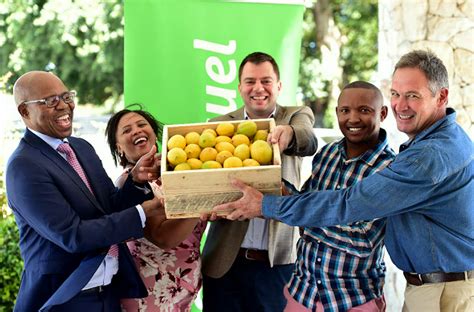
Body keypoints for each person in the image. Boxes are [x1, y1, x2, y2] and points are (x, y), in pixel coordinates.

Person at [213, 50, 474, 311]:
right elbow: (313, 200)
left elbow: (352, 214)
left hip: (423, 294)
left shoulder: (423, 157)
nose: (401, 105)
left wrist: (271, 207)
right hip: (308, 292)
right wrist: (286, 198)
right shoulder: (431, 141)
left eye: (413, 96)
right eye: (396, 94)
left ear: (441, 97)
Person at [6, 71, 161, 312]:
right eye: (51, 101)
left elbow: (110, 205)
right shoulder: (24, 166)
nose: (64, 105)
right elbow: (73, 236)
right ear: (25, 111)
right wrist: (143, 212)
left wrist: (135, 180)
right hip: (65, 299)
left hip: (109, 294)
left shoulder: (81, 147)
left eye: (66, 96)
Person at [201, 52, 318, 311]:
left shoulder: (296, 115)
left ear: (278, 86)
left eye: (266, 81)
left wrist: (288, 134)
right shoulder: (217, 126)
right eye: (250, 81)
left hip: (277, 264)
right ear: (240, 87)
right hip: (225, 263)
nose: (258, 88)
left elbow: (308, 139)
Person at [283, 81, 396, 311]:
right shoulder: (327, 154)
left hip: (351, 300)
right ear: (337, 113)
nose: (353, 119)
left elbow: (363, 241)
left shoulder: (390, 169)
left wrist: (295, 212)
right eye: (345, 111)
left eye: (364, 110)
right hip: (301, 294)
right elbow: (305, 203)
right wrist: (280, 190)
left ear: (382, 113)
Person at [105, 106, 206, 311]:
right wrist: (203, 198)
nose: (136, 130)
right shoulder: (128, 185)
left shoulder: (175, 174)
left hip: (182, 287)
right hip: (150, 291)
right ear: (119, 148)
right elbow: (163, 238)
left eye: (142, 125)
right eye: (127, 130)